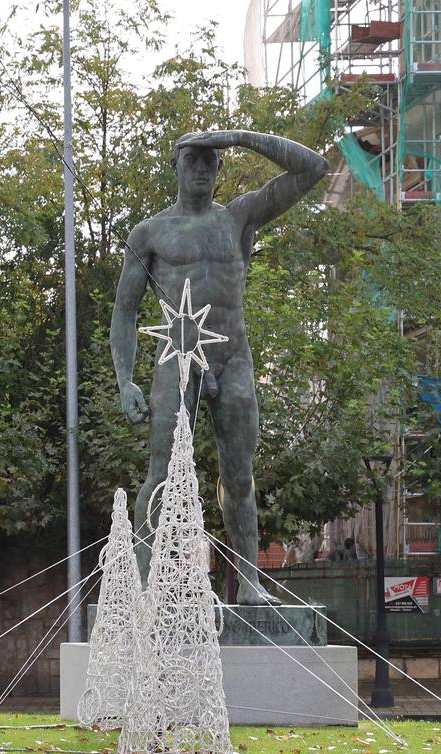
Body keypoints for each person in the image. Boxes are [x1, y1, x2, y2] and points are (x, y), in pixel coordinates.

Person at [111, 129, 328, 604]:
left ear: (220, 167)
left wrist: (240, 136)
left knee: (239, 474)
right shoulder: (149, 233)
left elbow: (314, 168)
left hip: (232, 359)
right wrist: (124, 379)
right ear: (175, 166)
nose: (201, 169)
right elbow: (124, 310)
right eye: (192, 159)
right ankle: (143, 588)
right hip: (176, 358)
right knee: (161, 472)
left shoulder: (237, 218)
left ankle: (249, 585)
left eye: (211, 160)